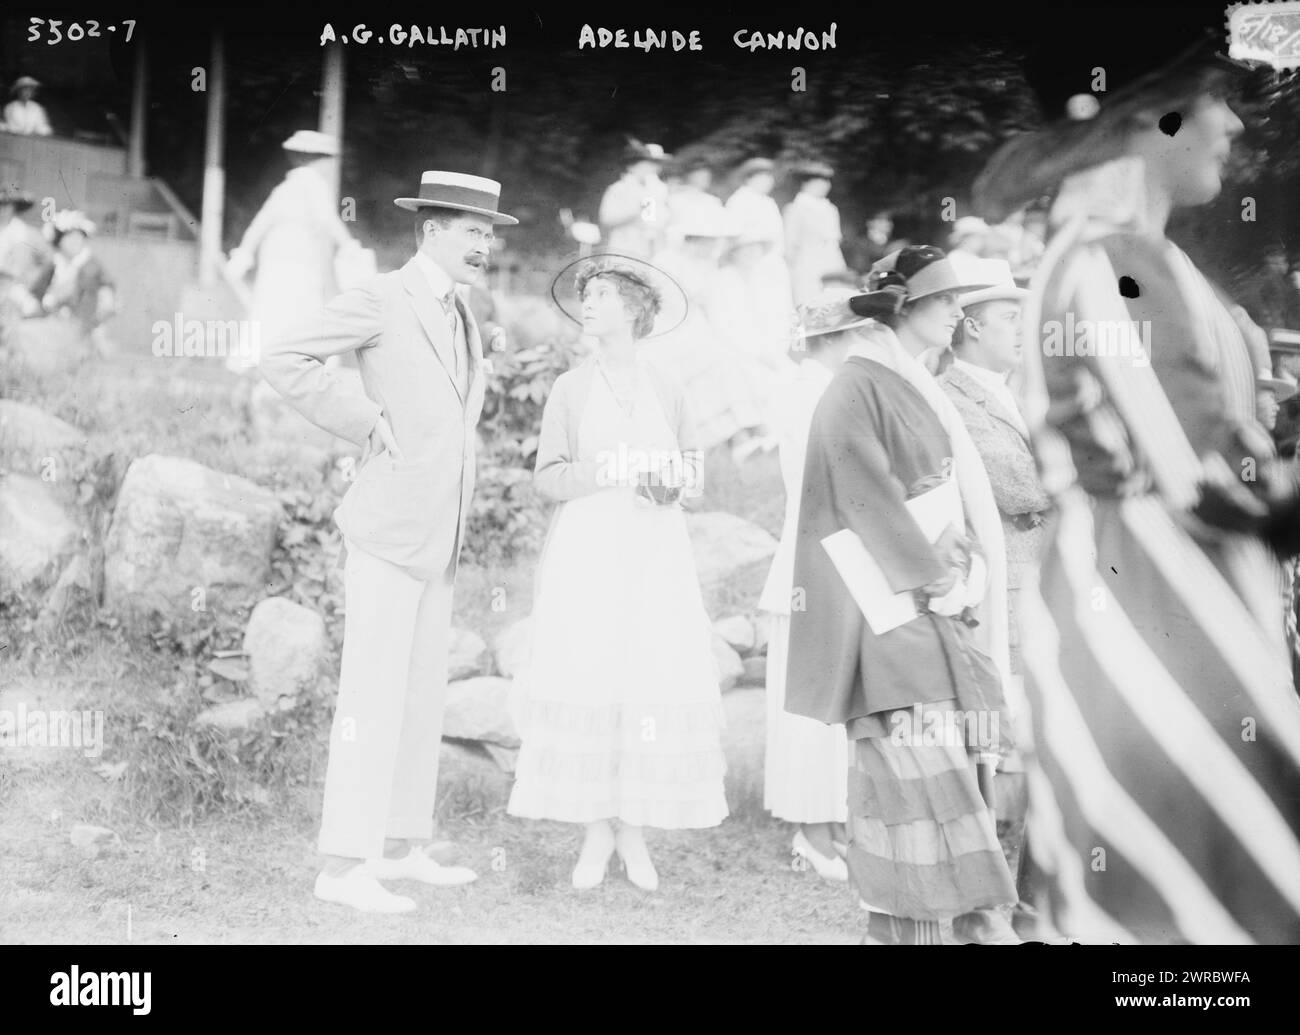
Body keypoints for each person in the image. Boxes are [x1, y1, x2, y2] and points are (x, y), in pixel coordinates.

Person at [974, 20, 1300, 943]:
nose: (1233, 125)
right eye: (1214, 97)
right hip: (1157, 624)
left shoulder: (1122, 258)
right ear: (1153, 118)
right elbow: (1228, 486)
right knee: (1188, 936)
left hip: (1163, 611)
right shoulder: (1115, 263)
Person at [259, 171, 519, 914]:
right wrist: (363, 416)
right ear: (432, 230)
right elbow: (285, 357)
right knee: (370, 698)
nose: (486, 244)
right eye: (473, 230)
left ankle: (401, 846)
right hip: (386, 529)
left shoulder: (461, 310)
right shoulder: (382, 294)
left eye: (490, 232)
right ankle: (342, 865)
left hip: (439, 533)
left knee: (417, 695)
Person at [785, 245, 1019, 945]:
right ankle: (920, 926)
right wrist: (934, 572)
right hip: (881, 608)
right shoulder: (854, 386)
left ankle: (955, 919)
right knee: (913, 769)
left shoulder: (911, 381)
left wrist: (962, 563)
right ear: (903, 307)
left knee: (941, 762)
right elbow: (864, 497)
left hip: (927, 601)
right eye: (945, 301)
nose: (957, 313)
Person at [508, 256, 728, 891]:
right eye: (587, 296)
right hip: (589, 549)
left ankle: (633, 831)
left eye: (603, 296)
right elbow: (547, 478)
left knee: (647, 673)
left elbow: (695, 471)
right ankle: (595, 832)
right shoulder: (570, 390)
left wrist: (669, 485)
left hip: (656, 552)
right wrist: (611, 471)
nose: (591, 307)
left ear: (634, 310)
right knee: (592, 670)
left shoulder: (670, 386)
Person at [938, 256, 1051, 939]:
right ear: (972, 326)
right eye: (1011, 317)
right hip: (998, 604)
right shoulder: (955, 398)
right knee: (995, 758)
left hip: (1040, 597)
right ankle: (984, 908)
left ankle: (1031, 900)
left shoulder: (1012, 393)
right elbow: (1026, 488)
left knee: (1041, 756)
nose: (1023, 329)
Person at [758, 289, 867, 881]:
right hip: (814, 552)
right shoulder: (807, 391)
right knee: (809, 703)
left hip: (843, 548)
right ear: (835, 339)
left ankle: (837, 822)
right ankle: (810, 830)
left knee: (839, 700)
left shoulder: (836, 388)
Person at [227, 130, 361, 370]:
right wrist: (348, 244)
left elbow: (260, 223)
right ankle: (303, 361)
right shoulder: (313, 184)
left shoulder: (284, 188)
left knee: (274, 306)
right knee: (301, 308)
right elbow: (327, 219)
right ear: (317, 160)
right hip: (298, 260)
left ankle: (266, 359)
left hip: (277, 258)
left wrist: (245, 252)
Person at [652, 210, 768, 461]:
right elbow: (671, 307)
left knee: (730, 360)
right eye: (709, 240)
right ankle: (740, 437)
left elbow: (710, 308)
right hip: (667, 332)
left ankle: (750, 433)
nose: (714, 246)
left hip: (697, 328)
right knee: (717, 361)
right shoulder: (667, 260)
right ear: (694, 239)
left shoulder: (706, 265)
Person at [725, 157, 794, 352]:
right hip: (753, 263)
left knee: (780, 311)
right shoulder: (739, 200)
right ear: (749, 178)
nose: (768, 181)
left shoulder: (768, 202)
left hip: (774, 262)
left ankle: (781, 352)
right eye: (762, 177)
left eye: (769, 177)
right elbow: (735, 238)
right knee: (759, 308)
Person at [39, 210, 115, 356]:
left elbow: (106, 297)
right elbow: (37, 293)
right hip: (52, 325)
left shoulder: (91, 266)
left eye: (78, 237)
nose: (75, 241)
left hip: (83, 327)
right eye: (69, 237)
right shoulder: (53, 265)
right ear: (59, 241)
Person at [783, 161, 847, 305]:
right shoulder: (796, 208)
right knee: (809, 302)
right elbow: (789, 245)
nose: (824, 185)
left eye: (827, 181)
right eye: (819, 181)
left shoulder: (830, 208)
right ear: (805, 183)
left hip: (831, 263)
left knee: (834, 303)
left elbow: (834, 244)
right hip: (806, 265)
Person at [598, 140, 672, 259]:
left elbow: (660, 220)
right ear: (632, 165)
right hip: (625, 246)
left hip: (652, 249)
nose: (654, 168)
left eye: (657, 163)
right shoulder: (619, 189)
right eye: (649, 163)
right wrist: (636, 211)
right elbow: (606, 219)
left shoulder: (660, 189)